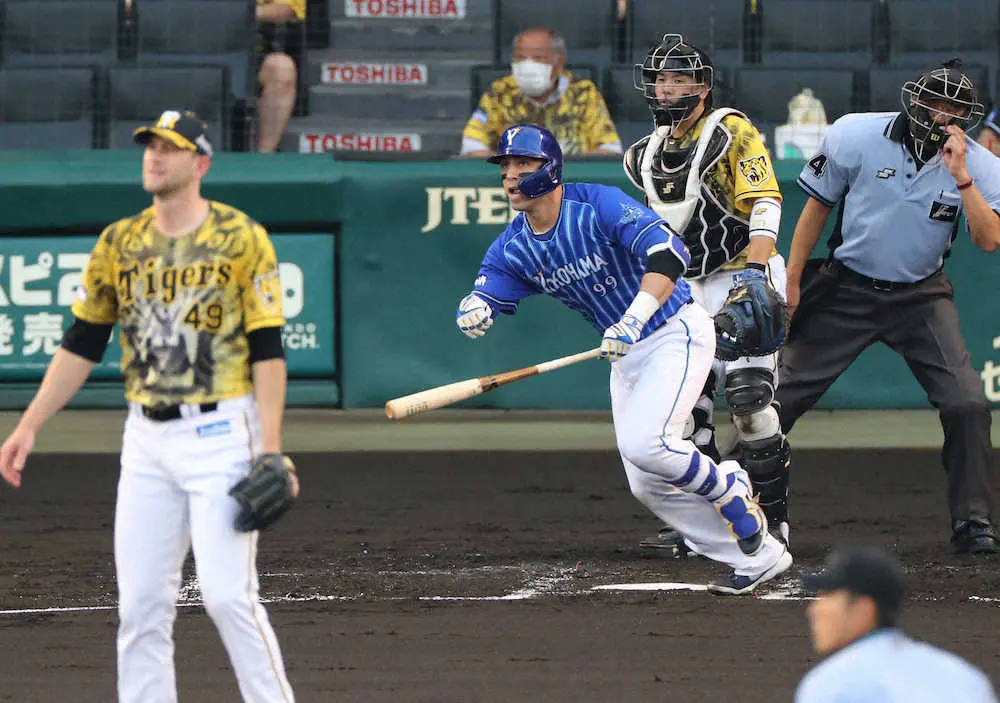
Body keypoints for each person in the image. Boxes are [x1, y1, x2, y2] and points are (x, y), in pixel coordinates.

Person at [0, 110, 297, 701]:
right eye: (150, 147)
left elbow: (268, 349)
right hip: (145, 440)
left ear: (200, 163)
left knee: (227, 597)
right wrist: (28, 424)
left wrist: (270, 449)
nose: (154, 156)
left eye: (170, 147)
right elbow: (82, 343)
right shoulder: (120, 242)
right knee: (139, 607)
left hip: (220, 432)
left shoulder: (242, 238)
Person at [456, 123, 792, 595]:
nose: (511, 176)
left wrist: (634, 317)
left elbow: (668, 252)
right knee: (646, 482)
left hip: (674, 332)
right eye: (506, 166)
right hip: (627, 354)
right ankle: (756, 557)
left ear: (549, 169)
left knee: (647, 445)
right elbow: (489, 282)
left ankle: (730, 486)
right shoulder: (515, 244)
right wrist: (476, 307)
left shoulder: (595, 203)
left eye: (522, 165)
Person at [777, 58, 1000, 555]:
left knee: (967, 402)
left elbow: (989, 240)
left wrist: (961, 174)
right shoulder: (855, 134)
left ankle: (973, 522)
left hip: (920, 295)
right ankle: (722, 507)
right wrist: (792, 279)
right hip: (847, 289)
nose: (944, 113)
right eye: (936, 101)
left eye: (955, 107)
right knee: (777, 398)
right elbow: (817, 205)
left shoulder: (981, 164)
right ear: (915, 98)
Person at [621, 34, 792, 553]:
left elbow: (764, 203)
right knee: (687, 411)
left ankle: (776, 524)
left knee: (749, 401)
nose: (667, 88)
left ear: (702, 85)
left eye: (679, 78)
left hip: (743, 271)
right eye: (660, 78)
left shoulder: (730, 132)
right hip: (687, 285)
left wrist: (757, 273)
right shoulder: (641, 156)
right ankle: (708, 525)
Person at [797, 544, 999, 702]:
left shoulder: (832, 683)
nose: (814, 609)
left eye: (828, 598)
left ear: (863, 610)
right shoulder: (964, 676)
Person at [460, 28, 622, 158]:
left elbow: (610, 149)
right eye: (521, 58)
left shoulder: (583, 92)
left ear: (558, 63)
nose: (527, 65)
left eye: (538, 58)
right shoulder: (500, 91)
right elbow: (472, 145)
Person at [257, 0, 306, 152]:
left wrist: (238, 12)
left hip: (244, 55)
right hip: (185, 52)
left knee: (282, 69)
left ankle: (263, 158)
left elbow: (288, 8)